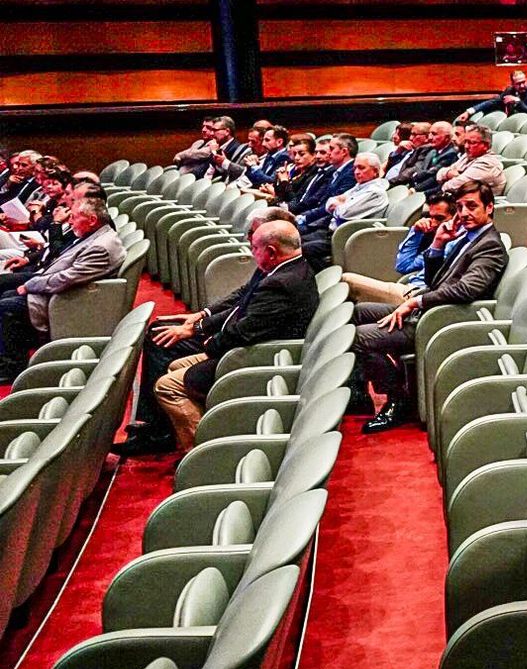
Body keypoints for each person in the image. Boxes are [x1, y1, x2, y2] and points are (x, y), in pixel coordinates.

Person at [119, 221, 319, 455]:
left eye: (254, 247)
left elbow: (244, 332)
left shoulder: (280, 283)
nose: (252, 253)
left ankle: (204, 455)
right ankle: (171, 431)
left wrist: (209, 341)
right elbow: (243, 305)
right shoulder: (288, 269)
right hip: (251, 349)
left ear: (271, 251)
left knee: (167, 387)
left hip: (256, 360)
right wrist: (200, 323)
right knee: (173, 363)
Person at [355, 183, 508, 433]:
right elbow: (435, 281)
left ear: (490, 207)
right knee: (358, 312)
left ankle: (397, 402)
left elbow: (467, 290)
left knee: (359, 337)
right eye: (460, 208)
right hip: (429, 311)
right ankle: (357, 395)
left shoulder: (489, 245)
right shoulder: (469, 238)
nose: (465, 213)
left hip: (442, 322)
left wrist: (416, 302)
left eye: (472, 206)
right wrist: (437, 243)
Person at [0, 197, 125, 382]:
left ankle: (12, 367)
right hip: (56, 290)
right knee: (6, 295)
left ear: (91, 220)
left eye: (74, 217)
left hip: (67, 300)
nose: (70, 221)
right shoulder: (94, 235)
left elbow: (66, 279)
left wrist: (29, 286)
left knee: (5, 306)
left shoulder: (101, 247)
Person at [341, 195, 454, 304]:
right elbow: (404, 266)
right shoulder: (437, 244)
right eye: (431, 217)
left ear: (456, 218)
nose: (433, 223)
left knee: (346, 280)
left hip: (418, 295)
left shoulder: (456, 246)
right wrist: (416, 232)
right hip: (408, 287)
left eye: (439, 218)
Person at [300, 152, 389, 270]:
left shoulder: (374, 192)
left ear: (375, 171)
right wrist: (338, 204)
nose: (356, 172)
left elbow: (343, 213)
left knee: (305, 249)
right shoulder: (360, 186)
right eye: (355, 168)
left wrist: (339, 205)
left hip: (347, 237)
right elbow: (330, 202)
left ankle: (325, 278)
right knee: (296, 240)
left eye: (362, 168)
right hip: (332, 231)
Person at [437, 124, 505, 196]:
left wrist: (449, 176)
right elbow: (439, 174)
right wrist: (449, 173)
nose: (466, 146)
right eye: (465, 141)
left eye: (472, 143)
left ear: (486, 145)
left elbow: (449, 187)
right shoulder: (468, 156)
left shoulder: (487, 164)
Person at [459, 69, 527, 120]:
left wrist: (518, 101)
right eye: (518, 84)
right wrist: (468, 112)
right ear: (513, 84)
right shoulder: (510, 91)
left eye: (524, 82)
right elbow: (493, 102)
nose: (522, 85)